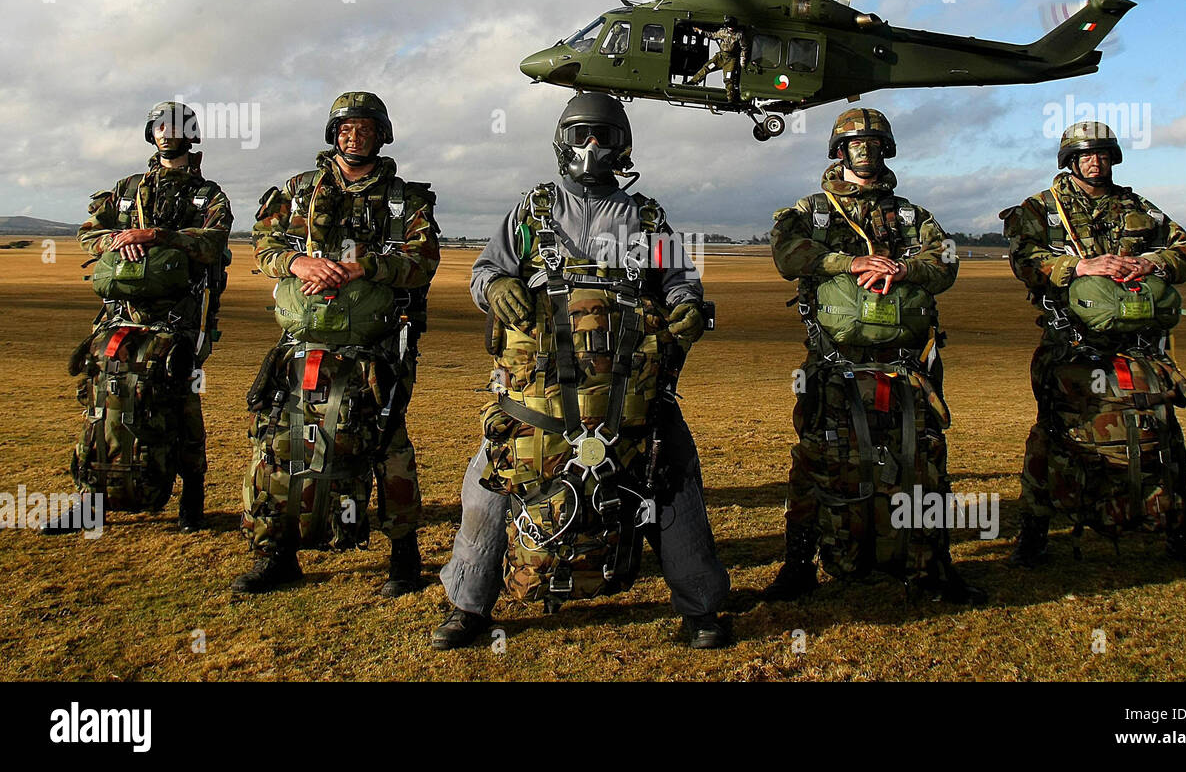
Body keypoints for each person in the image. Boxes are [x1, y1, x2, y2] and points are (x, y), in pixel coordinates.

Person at [433, 91, 731, 649]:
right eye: (581, 135)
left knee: (674, 477)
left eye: (606, 136)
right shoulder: (532, 211)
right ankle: (467, 603)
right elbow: (485, 271)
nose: (592, 146)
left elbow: (679, 282)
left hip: (630, 392)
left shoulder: (646, 217)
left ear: (623, 146)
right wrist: (496, 286)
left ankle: (701, 609)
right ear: (561, 142)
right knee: (490, 483)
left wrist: (687, 303)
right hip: (537, 395)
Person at [767, 107, 982, 602]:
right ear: (839, 151)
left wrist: (904, 270)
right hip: (834, 362)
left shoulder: (911, 215)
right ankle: (798, 566)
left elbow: (946, 261)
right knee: (817, 459)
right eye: (855, 143)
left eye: (874, 142)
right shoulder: (809, 211)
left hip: (906, 366)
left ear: (886, 149)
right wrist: (849, 261)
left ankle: (932, 569)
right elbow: (787, 254)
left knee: (923, 460)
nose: (865, 151)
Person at [234, 92, 440, 596]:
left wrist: (362, 266)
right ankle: (278, 555)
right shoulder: (297, 191)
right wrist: (298, 263)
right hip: (302, 342)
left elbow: (423, 260)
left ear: (381, 133)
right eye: (346, 127)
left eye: (365, 127)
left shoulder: (405, 199)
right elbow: (263, 244)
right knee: (279, 444)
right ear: (333, 134)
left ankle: (403, 558)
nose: (355, 135)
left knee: (387, 445)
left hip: (375, 347)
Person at [1001, 121, 1186, 574]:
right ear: (1069, 160)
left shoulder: (1138, 207)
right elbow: (1025, 262)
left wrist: (1150, 261)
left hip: (1138, 346)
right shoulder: (1040, 209)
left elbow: (1185, 250)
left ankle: (1183, 536)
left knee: (1163, 433)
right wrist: (1079, 265)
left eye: (1103, 153)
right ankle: (1034, 534)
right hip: (1071, 344)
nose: (1094, 161)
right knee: (1053, 434)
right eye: (1085, 154)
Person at [49, 101, 231, 535]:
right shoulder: (127, 189)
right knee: (101, 402)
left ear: (192, 134)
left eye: (178, 127)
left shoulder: (208, 195)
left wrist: (156, 235)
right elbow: (87, 233)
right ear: (152, 134)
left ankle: (192, 499)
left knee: (181, 403)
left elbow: (213, 241)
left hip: (178, 319)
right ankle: (90, 503)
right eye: (161, 127)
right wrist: (115, 239)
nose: (169, 134)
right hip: (119, 316)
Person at [685, 16, 748, 104]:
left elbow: (744, 48)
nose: (731, 28)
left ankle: (731, 99)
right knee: (707, 67)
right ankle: (692, 82)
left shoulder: (739, 35)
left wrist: (742, 59)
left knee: (728, 79)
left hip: (731, 60)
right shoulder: (723, 32)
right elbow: (712, 35)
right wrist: (700, 31)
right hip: (720, 57)